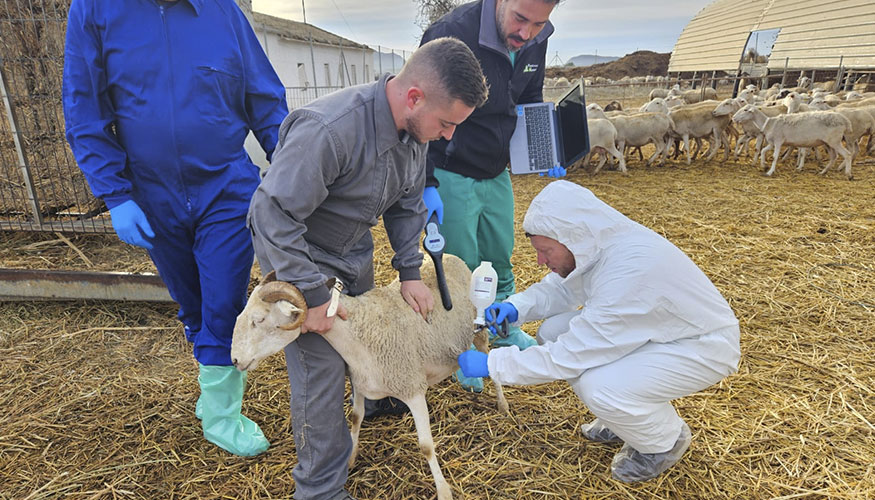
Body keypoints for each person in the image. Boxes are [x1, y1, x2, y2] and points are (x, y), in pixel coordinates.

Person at [247, 37, 488, 500]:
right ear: (414, 97)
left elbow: (405, 206)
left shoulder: (413, 133)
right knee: (319, 372)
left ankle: (374, 396)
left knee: (368, 340)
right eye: (447, 122)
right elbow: (271, 215)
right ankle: (320, 488)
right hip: (300, 259)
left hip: (351, 254)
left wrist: (411, 271)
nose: (449, 135)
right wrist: (313, 297)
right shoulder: (329, 131)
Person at [63, 0, 288, 457]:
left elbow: (265, 100)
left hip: (225, 186)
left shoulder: (222, 13)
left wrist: (291, 172)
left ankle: (222, 413)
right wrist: (117, 194)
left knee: (223, 303)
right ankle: (212, 385)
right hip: (151, 192)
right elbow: (83, 105)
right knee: (193, 304)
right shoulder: (95, 10)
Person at [457, 180, 741, 483]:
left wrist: (494, 365)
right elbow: (564, 289)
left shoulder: (628, 272)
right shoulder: (598, 245)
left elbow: (570, 355)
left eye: (546, 251)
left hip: (702, 345)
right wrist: (517, 307)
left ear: (570, 238)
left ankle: (664, 441)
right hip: (664, 333)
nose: (541, 260)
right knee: (553, 330)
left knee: (600, 387)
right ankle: (624, 419)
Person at [419, 0, 565, 393]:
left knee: (500, 253)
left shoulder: (536, 37)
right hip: (453, 167)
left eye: (539, 23)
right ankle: (463, 346)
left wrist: (543, 144)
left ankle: (501, 332)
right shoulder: (451, 34)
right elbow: (424, 112)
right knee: (460, 264)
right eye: (520, 18)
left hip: (495, 168)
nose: (526, 33)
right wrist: (427, 181)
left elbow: (530, 93)